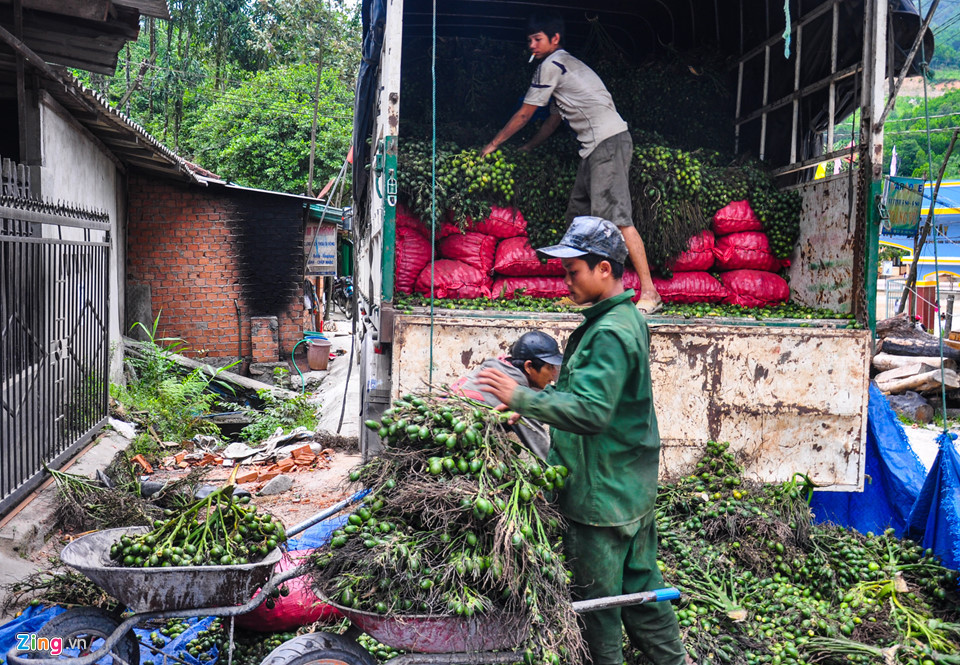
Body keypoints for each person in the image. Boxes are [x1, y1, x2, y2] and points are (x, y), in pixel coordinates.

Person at [476, 216, 688, 665]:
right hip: (629, 488)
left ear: (604, 270)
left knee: (598, 608)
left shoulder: (609, 332)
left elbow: (592, 411)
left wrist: (520, 395)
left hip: (600, 498)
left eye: (573, 271)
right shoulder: (625, 318)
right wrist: (540, 399)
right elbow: (597, 393)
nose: (565, 280)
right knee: (643, 590)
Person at [480, 13, 662, 314]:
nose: (532, 45)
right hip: (593, 148)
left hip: (608, 142)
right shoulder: (566, 67)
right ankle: (584, 294)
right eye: (529, 40)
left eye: (537, 39)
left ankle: (649, 293)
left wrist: (494, 144)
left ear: (555, 39)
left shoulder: (551, 66)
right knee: (578, 218)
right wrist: (529, 147)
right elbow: (552, 120)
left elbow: (526, 113)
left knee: (615, 220)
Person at [450, 331, 562, 461]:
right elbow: (544, 456)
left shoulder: (501, 367)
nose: (554, 373)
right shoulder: (513, 392)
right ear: (529, 366)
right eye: (549, 367)